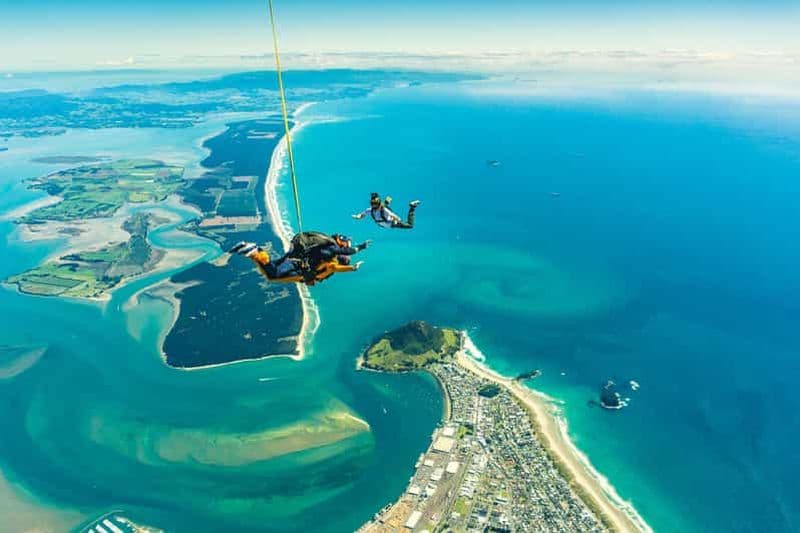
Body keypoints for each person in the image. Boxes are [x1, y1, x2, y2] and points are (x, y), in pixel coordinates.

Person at [229, 232, 369, 286]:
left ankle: (253, 251)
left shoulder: (325, 249)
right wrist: (352, 268)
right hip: (297, 266)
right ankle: (254, 251)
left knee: (272, 273)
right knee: (273, 275)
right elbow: (335, 267)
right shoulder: (331, 258)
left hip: (295, 259)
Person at [353, 192, 420, 229]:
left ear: (378, 203)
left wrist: (398, 220)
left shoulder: (384, 210)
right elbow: (362, 215)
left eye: (375, 203)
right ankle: (387, 201)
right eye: (372, 203)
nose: (373, 205)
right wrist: (357, 216)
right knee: (384, 205)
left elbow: (393, 215)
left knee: (410, 225)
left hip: (391, 223)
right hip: (385, 224)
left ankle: (412, 207)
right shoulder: (370, 210)